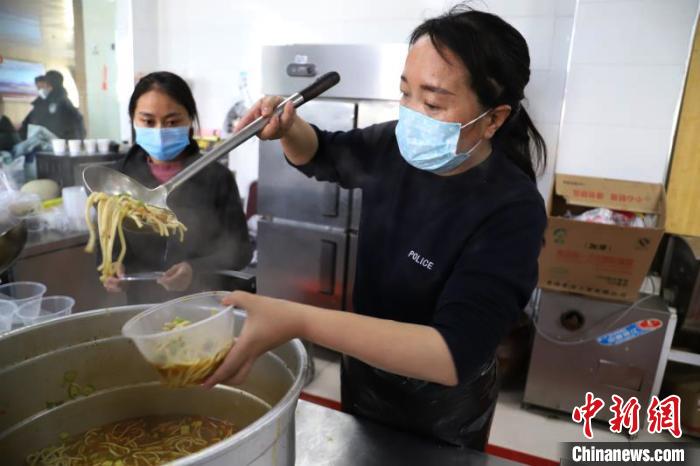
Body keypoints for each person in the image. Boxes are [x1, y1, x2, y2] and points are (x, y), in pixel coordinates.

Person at [205, 6, 547, 451]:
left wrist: (298, 318)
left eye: (433, 102)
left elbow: (451, 352)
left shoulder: (511, 209)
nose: (412, 115)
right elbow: (323, 154)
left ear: (494, 119)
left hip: (443, 406)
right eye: (405, 94)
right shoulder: (391, 146)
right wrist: (289, 127)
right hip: (365, 372)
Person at [102, 71, 253, 304]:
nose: (160, 130)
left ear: (190, 119)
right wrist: (112, 265)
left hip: (203, 301)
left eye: (172, 121)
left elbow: (241, 251)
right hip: (141, 303)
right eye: (148, 121)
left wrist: (195, 270)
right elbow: (108, 241)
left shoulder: (215, 176)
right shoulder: (118, 178)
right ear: (133, 119)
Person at [20, 70, 85, 140]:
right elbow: (27, 123)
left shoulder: (62, 103)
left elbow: (75, 129)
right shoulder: (41, 103)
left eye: (45, 85)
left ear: (51, 85)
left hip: (57, 146)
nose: (41, 90)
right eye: (38, 88)